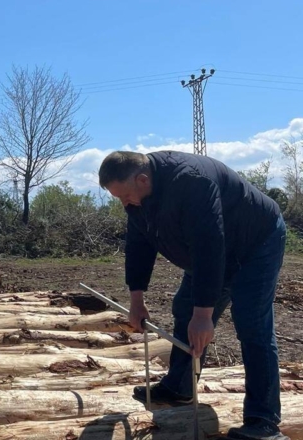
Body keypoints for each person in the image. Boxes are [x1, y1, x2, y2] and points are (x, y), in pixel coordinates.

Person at [99, 150, 288, 440]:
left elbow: (208, 245)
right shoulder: (138, 198)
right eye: (118, 198)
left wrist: (204, 315)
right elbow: (138, 245)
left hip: (255, 244)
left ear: (142, 179)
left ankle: (264, 421)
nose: (124, 203)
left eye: (124, 196)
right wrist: (136, 300)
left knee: (252, 323)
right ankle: (180, 387)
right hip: (213, 250)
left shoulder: (192, 182)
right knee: (185, 307)